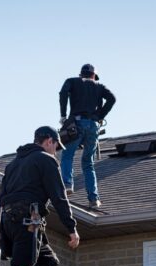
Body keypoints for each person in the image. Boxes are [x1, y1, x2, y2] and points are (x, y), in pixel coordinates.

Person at [0, 126, 80, 266]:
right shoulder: (46, 159)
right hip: (27, 221)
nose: (55, 152)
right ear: (50, 141)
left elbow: (1, 198)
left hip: (10, 222)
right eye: (56, 147)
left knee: (48, 261)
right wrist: (71, 228)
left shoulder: (12, 165)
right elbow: (59, 198)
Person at [59, 63, 116, 209]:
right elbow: (112, 99)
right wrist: (100, 115)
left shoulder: (72, 81)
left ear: (81, 74)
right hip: (93, 126)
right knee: (88, 163)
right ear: (94, 76)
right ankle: (94, 199)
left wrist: (63, 115)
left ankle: (67, 184)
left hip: (76, 124)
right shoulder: (99, 86)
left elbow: (63, 93)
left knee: (67, 155)